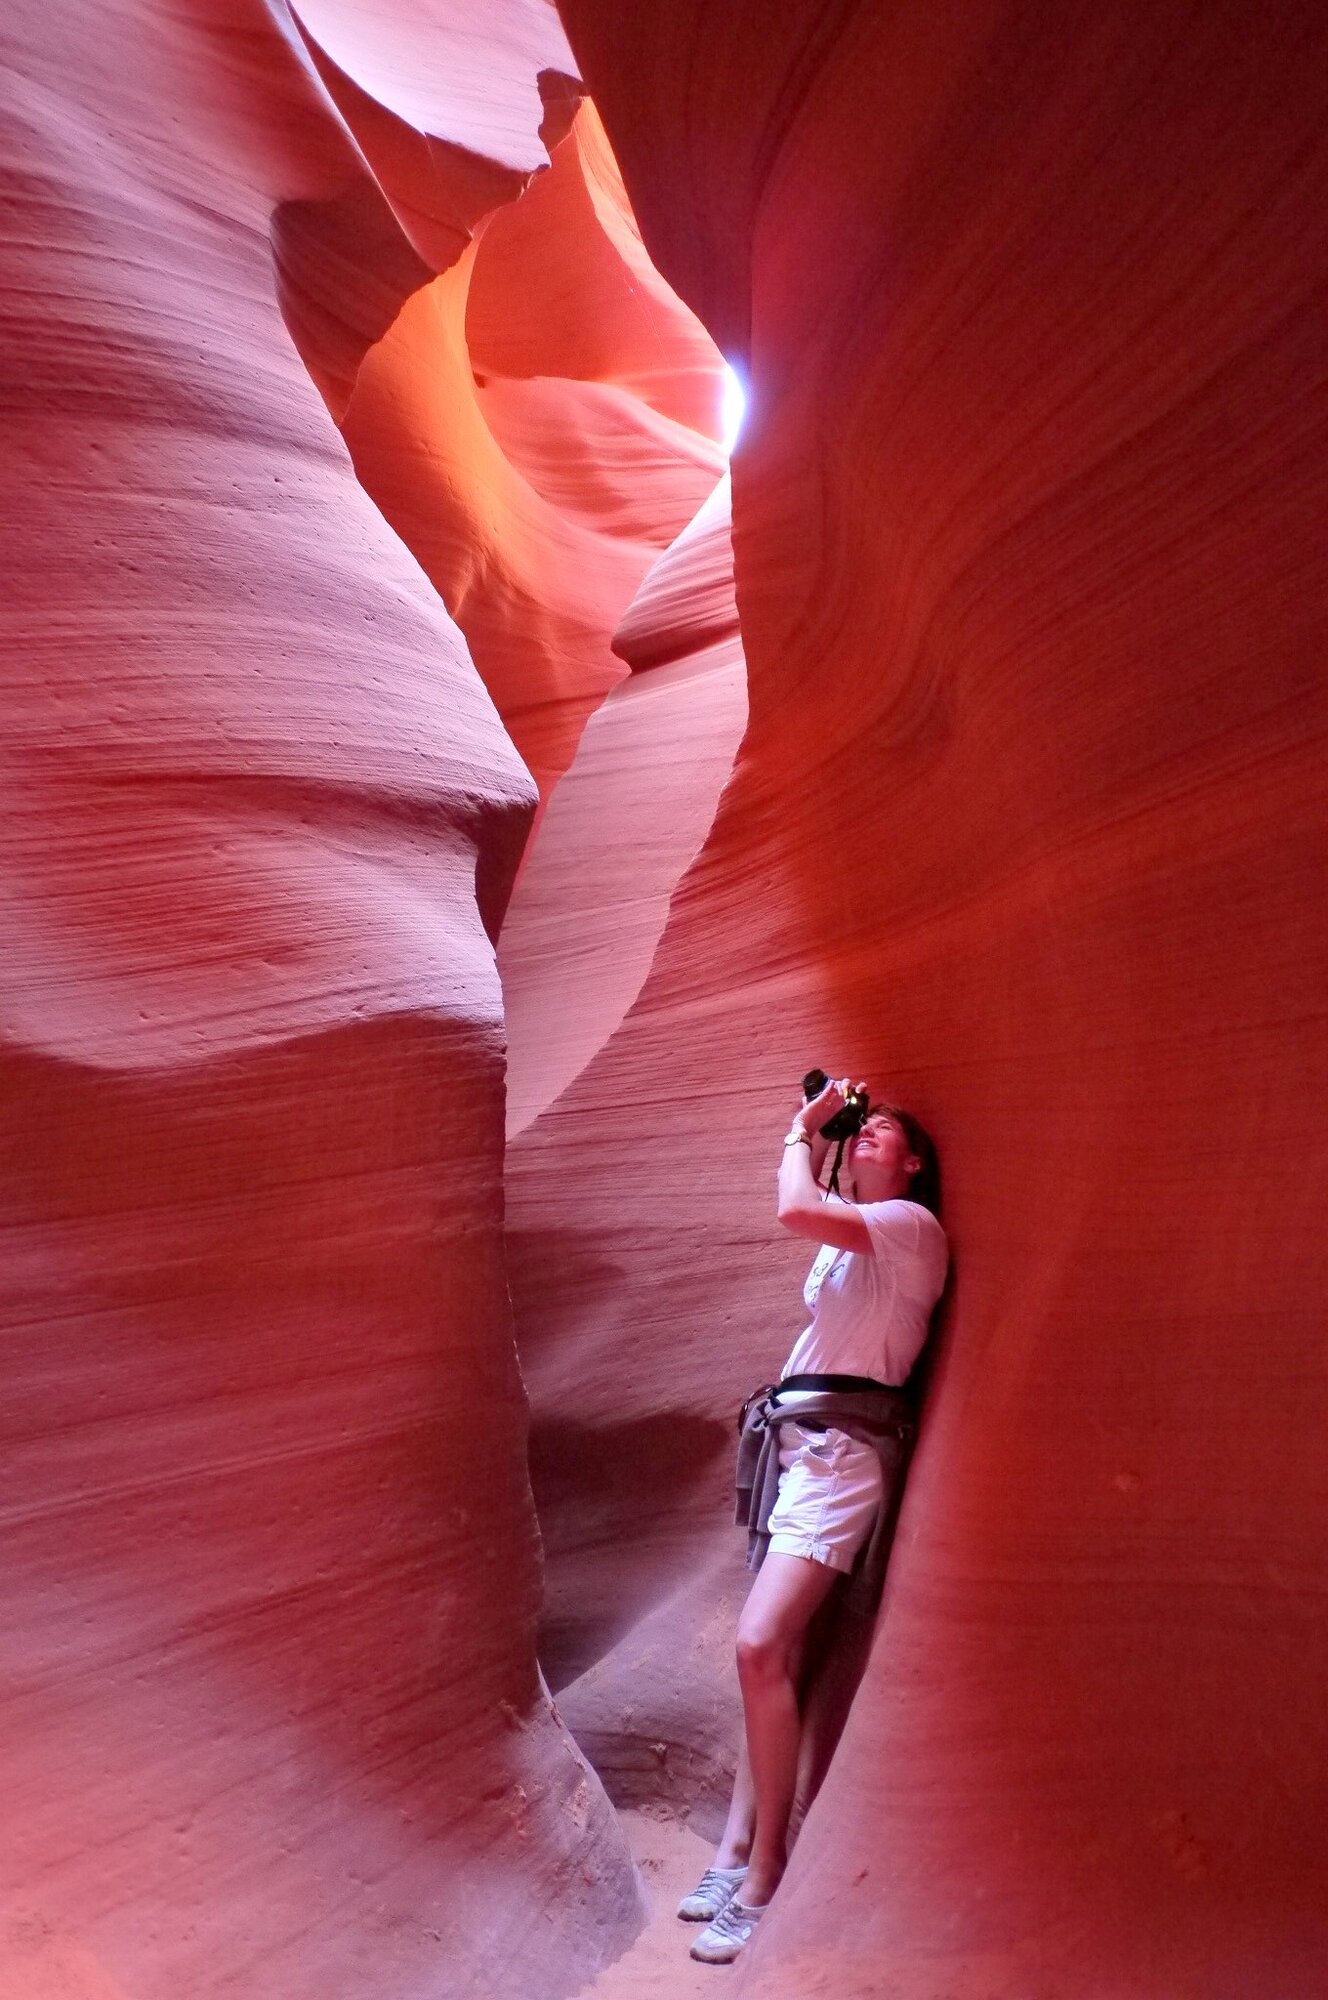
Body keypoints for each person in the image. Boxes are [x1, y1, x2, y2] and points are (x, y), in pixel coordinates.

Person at [682, 1075, 948, 1965]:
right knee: (781, 1652)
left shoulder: (913, 1229)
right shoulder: (851, 1240)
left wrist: (801, 1126)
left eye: (883, 1134)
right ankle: (731, 1854)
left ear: (913, 1165)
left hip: (843, 1459)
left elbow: (797, 1207)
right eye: (860, 1129)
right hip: (800, 1447)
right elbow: (822, 1212)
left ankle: (766, 1874)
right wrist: (827, 1137)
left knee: (758, 1645)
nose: (866, 1134)